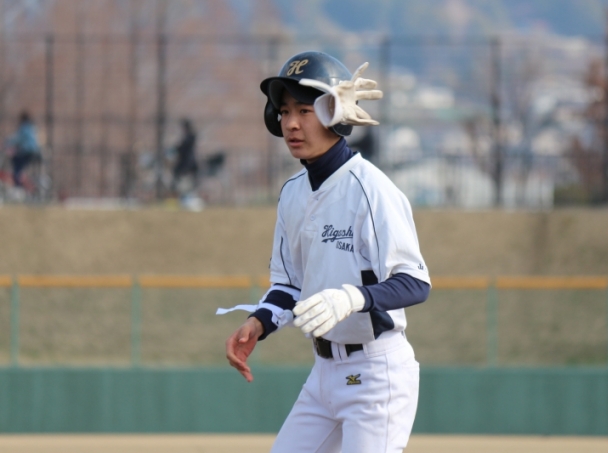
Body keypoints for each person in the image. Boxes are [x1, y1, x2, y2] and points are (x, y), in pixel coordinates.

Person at [222, 51, 431, 453]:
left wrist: (351, 298)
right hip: (323, 375)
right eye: (285, 111)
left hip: (376, 374)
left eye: (305, 110)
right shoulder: (292, 193)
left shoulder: (370, 188)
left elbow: (415, 282)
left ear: (335, 113)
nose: (291, 123)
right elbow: (289, 285)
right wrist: (259, 322)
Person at [5, 111, 41, 188]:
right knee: (21, 165)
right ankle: (22, 178)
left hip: (26, 151)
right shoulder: (32, 127)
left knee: (16, 163)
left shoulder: (24, 127)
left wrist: (7, 142)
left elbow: (18, 139)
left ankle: (18, 184)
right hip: (34, 152)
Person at [171, 118, 198, 196]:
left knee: (182, 175)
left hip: (188, 161)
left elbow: (184, 148)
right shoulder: (187, 137)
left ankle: (182, 192)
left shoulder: (190, 136)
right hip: (186, 161)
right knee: (177, 174)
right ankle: (177, 191)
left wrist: (177, 148)